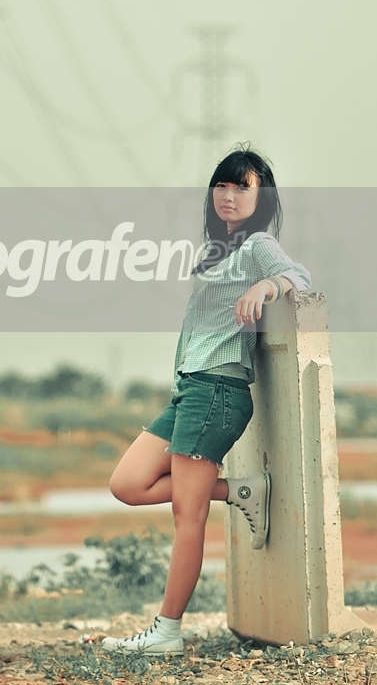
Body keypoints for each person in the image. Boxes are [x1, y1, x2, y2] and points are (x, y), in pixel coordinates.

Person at [102, 147, 311, 656]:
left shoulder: (259, 244)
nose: (229, 195)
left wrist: (266, 286)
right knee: (127, 483)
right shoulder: (215, 252)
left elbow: (299, 277)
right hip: (192, 391)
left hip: (218, 391)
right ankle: (241, 490)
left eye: (242, 187)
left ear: (262, 198)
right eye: (222, 185)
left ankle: (167, 632)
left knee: (186, 515)